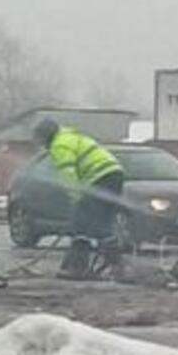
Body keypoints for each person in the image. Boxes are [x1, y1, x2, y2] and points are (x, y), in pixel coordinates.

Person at [33, 118, 126, 280]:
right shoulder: (72, 137)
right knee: (103, 222)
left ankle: (77, 267)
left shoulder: (59, 145)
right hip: (114, 175)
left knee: (81, 224)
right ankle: (116, 265)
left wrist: (76, 199)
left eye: (40, 139)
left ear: (46, 135)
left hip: (98, 178)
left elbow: (68, 174)